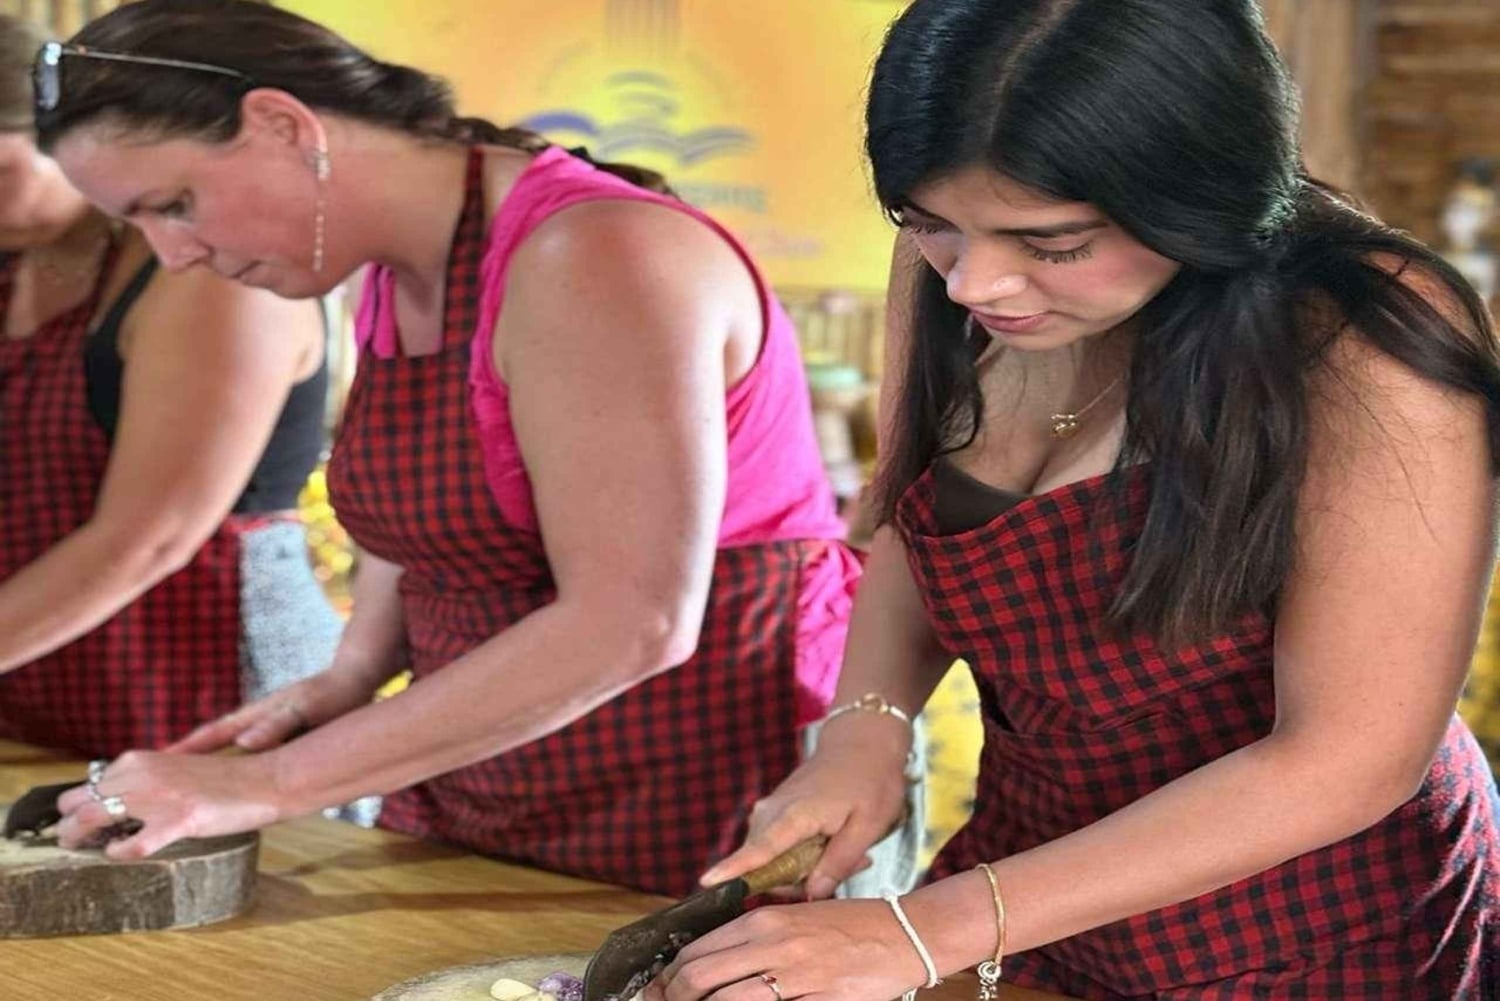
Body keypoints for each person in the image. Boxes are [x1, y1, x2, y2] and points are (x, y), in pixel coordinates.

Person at [645, 0, 1500, 998]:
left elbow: (1350, 758)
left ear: (1201, 187)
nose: (976, 283)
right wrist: (866, 727)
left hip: (1311, 923)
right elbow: (916, 517)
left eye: (1050, 244)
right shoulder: (971, 259)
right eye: (927, 226)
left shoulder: (1362, 333)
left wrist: (925, 927)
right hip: (1030, 879)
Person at [40, 0, 870, 899]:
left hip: (694, 779)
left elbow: (631, 623)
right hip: (492, 779)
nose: (173, 253)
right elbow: (433, 523)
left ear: (284, 126)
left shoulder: (595, 253)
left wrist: (260, 785)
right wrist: (350, 675)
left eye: (175, 204)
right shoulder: (399, 272)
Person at [0, 13, 339, 760]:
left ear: (77, 149)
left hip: (209, 688)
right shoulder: (17, 258)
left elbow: (148, 537)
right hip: (44, 680)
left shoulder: (208, 270)